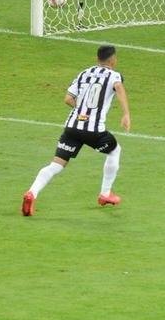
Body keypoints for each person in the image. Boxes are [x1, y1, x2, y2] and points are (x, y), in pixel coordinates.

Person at [22, 44, 132, 217]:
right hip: (94, 131)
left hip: (72, 127)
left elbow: (67, 99)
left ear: (97, 59)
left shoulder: (84, 73)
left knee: (56, 164)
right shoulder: (114, 75)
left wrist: (82, 111)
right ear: (113, 60)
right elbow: (119, 88)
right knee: (115, 150)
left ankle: (32, 193)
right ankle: (105, 193)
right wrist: (126, 114)